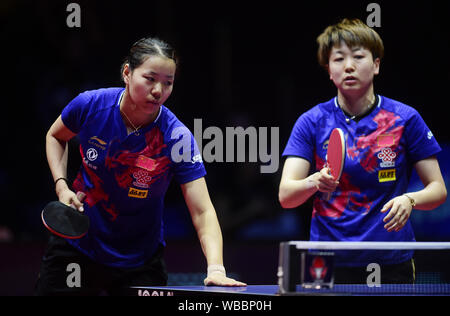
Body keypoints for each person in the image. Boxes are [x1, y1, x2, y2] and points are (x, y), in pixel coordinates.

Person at [36, 37, 245, 295]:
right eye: (150, 78)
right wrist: (61, 186)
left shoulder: (176, 137)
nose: (159, 90)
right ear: (127, 72)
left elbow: (202, 211)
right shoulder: (90, 105)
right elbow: (55, 136)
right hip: (77, 245)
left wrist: (216, 269)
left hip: (139, 261)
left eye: (168, 82)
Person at [278, 19, 447, 284]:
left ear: (376, 64)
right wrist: (314, 181)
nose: (348, 66)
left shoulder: (405, 118)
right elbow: (286, 196)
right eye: (338, 59)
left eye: (358, 56)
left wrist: (410, 200)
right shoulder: (311, 121)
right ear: (328, 70)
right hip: (326, 258)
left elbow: (438, 189)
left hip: (389, 258)